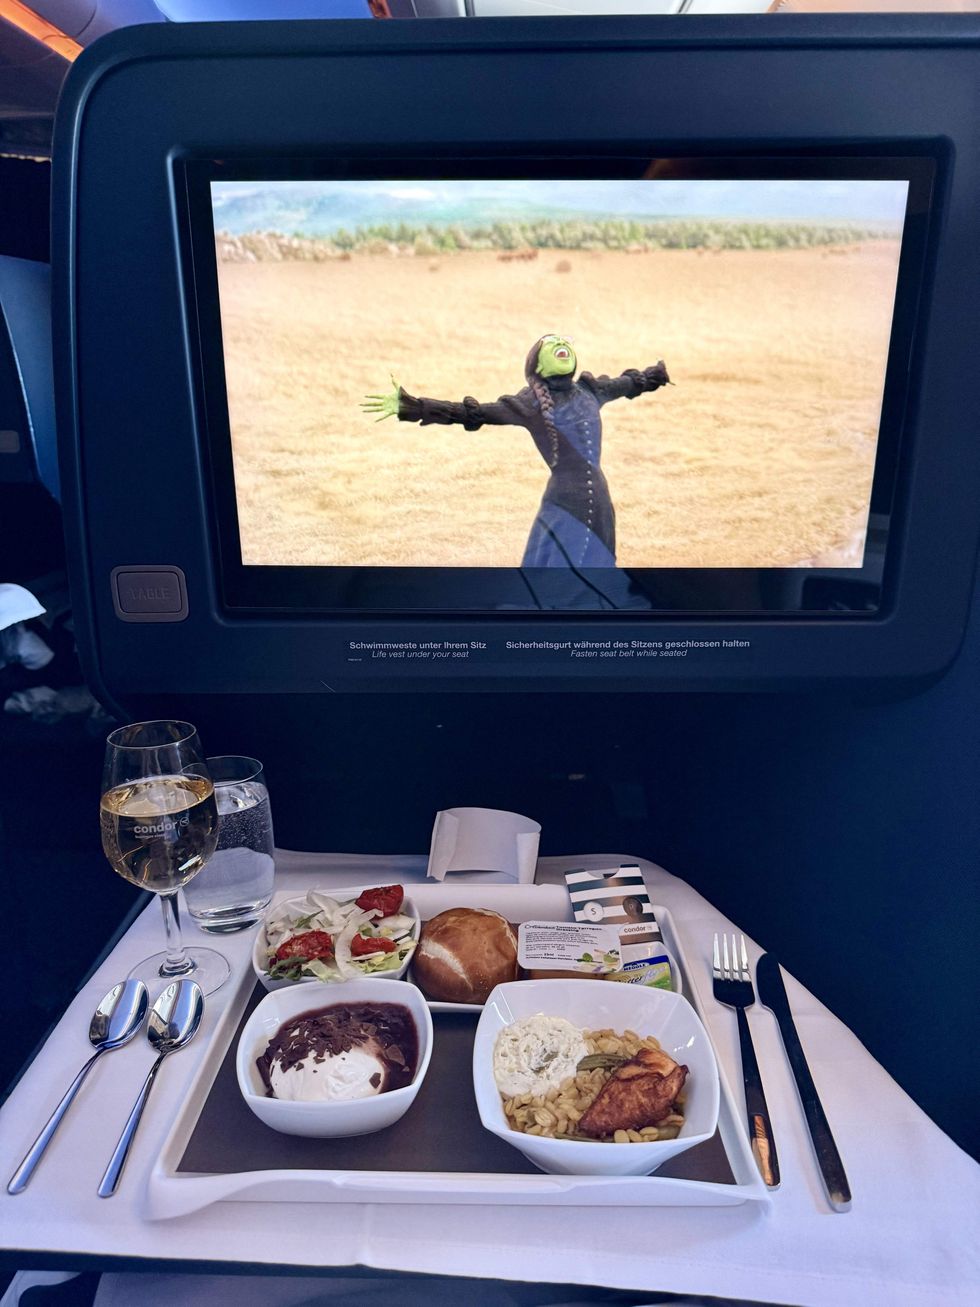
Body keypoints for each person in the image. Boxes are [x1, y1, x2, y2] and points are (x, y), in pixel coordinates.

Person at [362, 335, 670, 568]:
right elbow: (473, 413)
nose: (561, 344)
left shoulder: (561, 397)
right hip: (581, 501)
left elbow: (632, 383)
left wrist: (658, 373)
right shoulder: (560, 398)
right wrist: (414, 406)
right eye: (555, 347)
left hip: (581, 501)